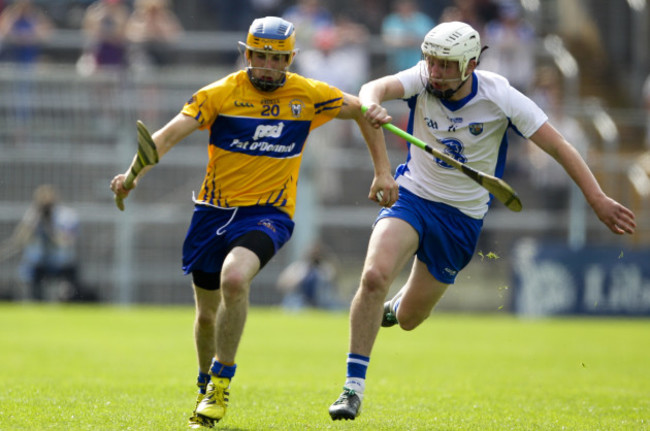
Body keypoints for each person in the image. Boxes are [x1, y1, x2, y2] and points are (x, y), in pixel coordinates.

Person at [328, 21, 637, 420]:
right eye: (431, 62)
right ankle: (352, 388)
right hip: (414, 197)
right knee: (373, 277)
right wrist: (374, 119)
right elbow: (373, 89)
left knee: (408, 320)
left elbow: (558, 145)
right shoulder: (422, 78)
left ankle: (398, 305)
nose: (435, 72)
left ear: (470, 64)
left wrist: (597, 199)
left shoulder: (501, 96)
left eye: (446, 65)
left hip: (461, 219)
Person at [109, 16, 398, 429]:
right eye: (259, 56)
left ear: (290, 60)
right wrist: (132, 175)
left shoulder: (309, 95)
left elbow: (365, 113)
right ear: (246, 54)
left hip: (268, 214)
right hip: (212, 212)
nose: (266, 66)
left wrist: (382, 171)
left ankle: (221, 386)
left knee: (234, 279)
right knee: (207, 316)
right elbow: (169, 134)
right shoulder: (220, 94)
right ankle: (204, 383)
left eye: (276, 59)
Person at [0, 184, 80, 301]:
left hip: (60, 263)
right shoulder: (33, 216)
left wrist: (49, 229)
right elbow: (20, 240)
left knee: (69, 289)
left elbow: (66, 242)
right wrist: (32, 226)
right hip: (38, 263)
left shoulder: (65, 216)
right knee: (34, 286)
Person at [381, 0, 435, 73]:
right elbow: (386, 39)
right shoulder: (391, 20)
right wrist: (404, 42)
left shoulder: (424, 20)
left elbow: (431, 40)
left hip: (419, 67)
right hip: (396, 66)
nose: (405, 6)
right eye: (402, 3)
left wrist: (414, 41)